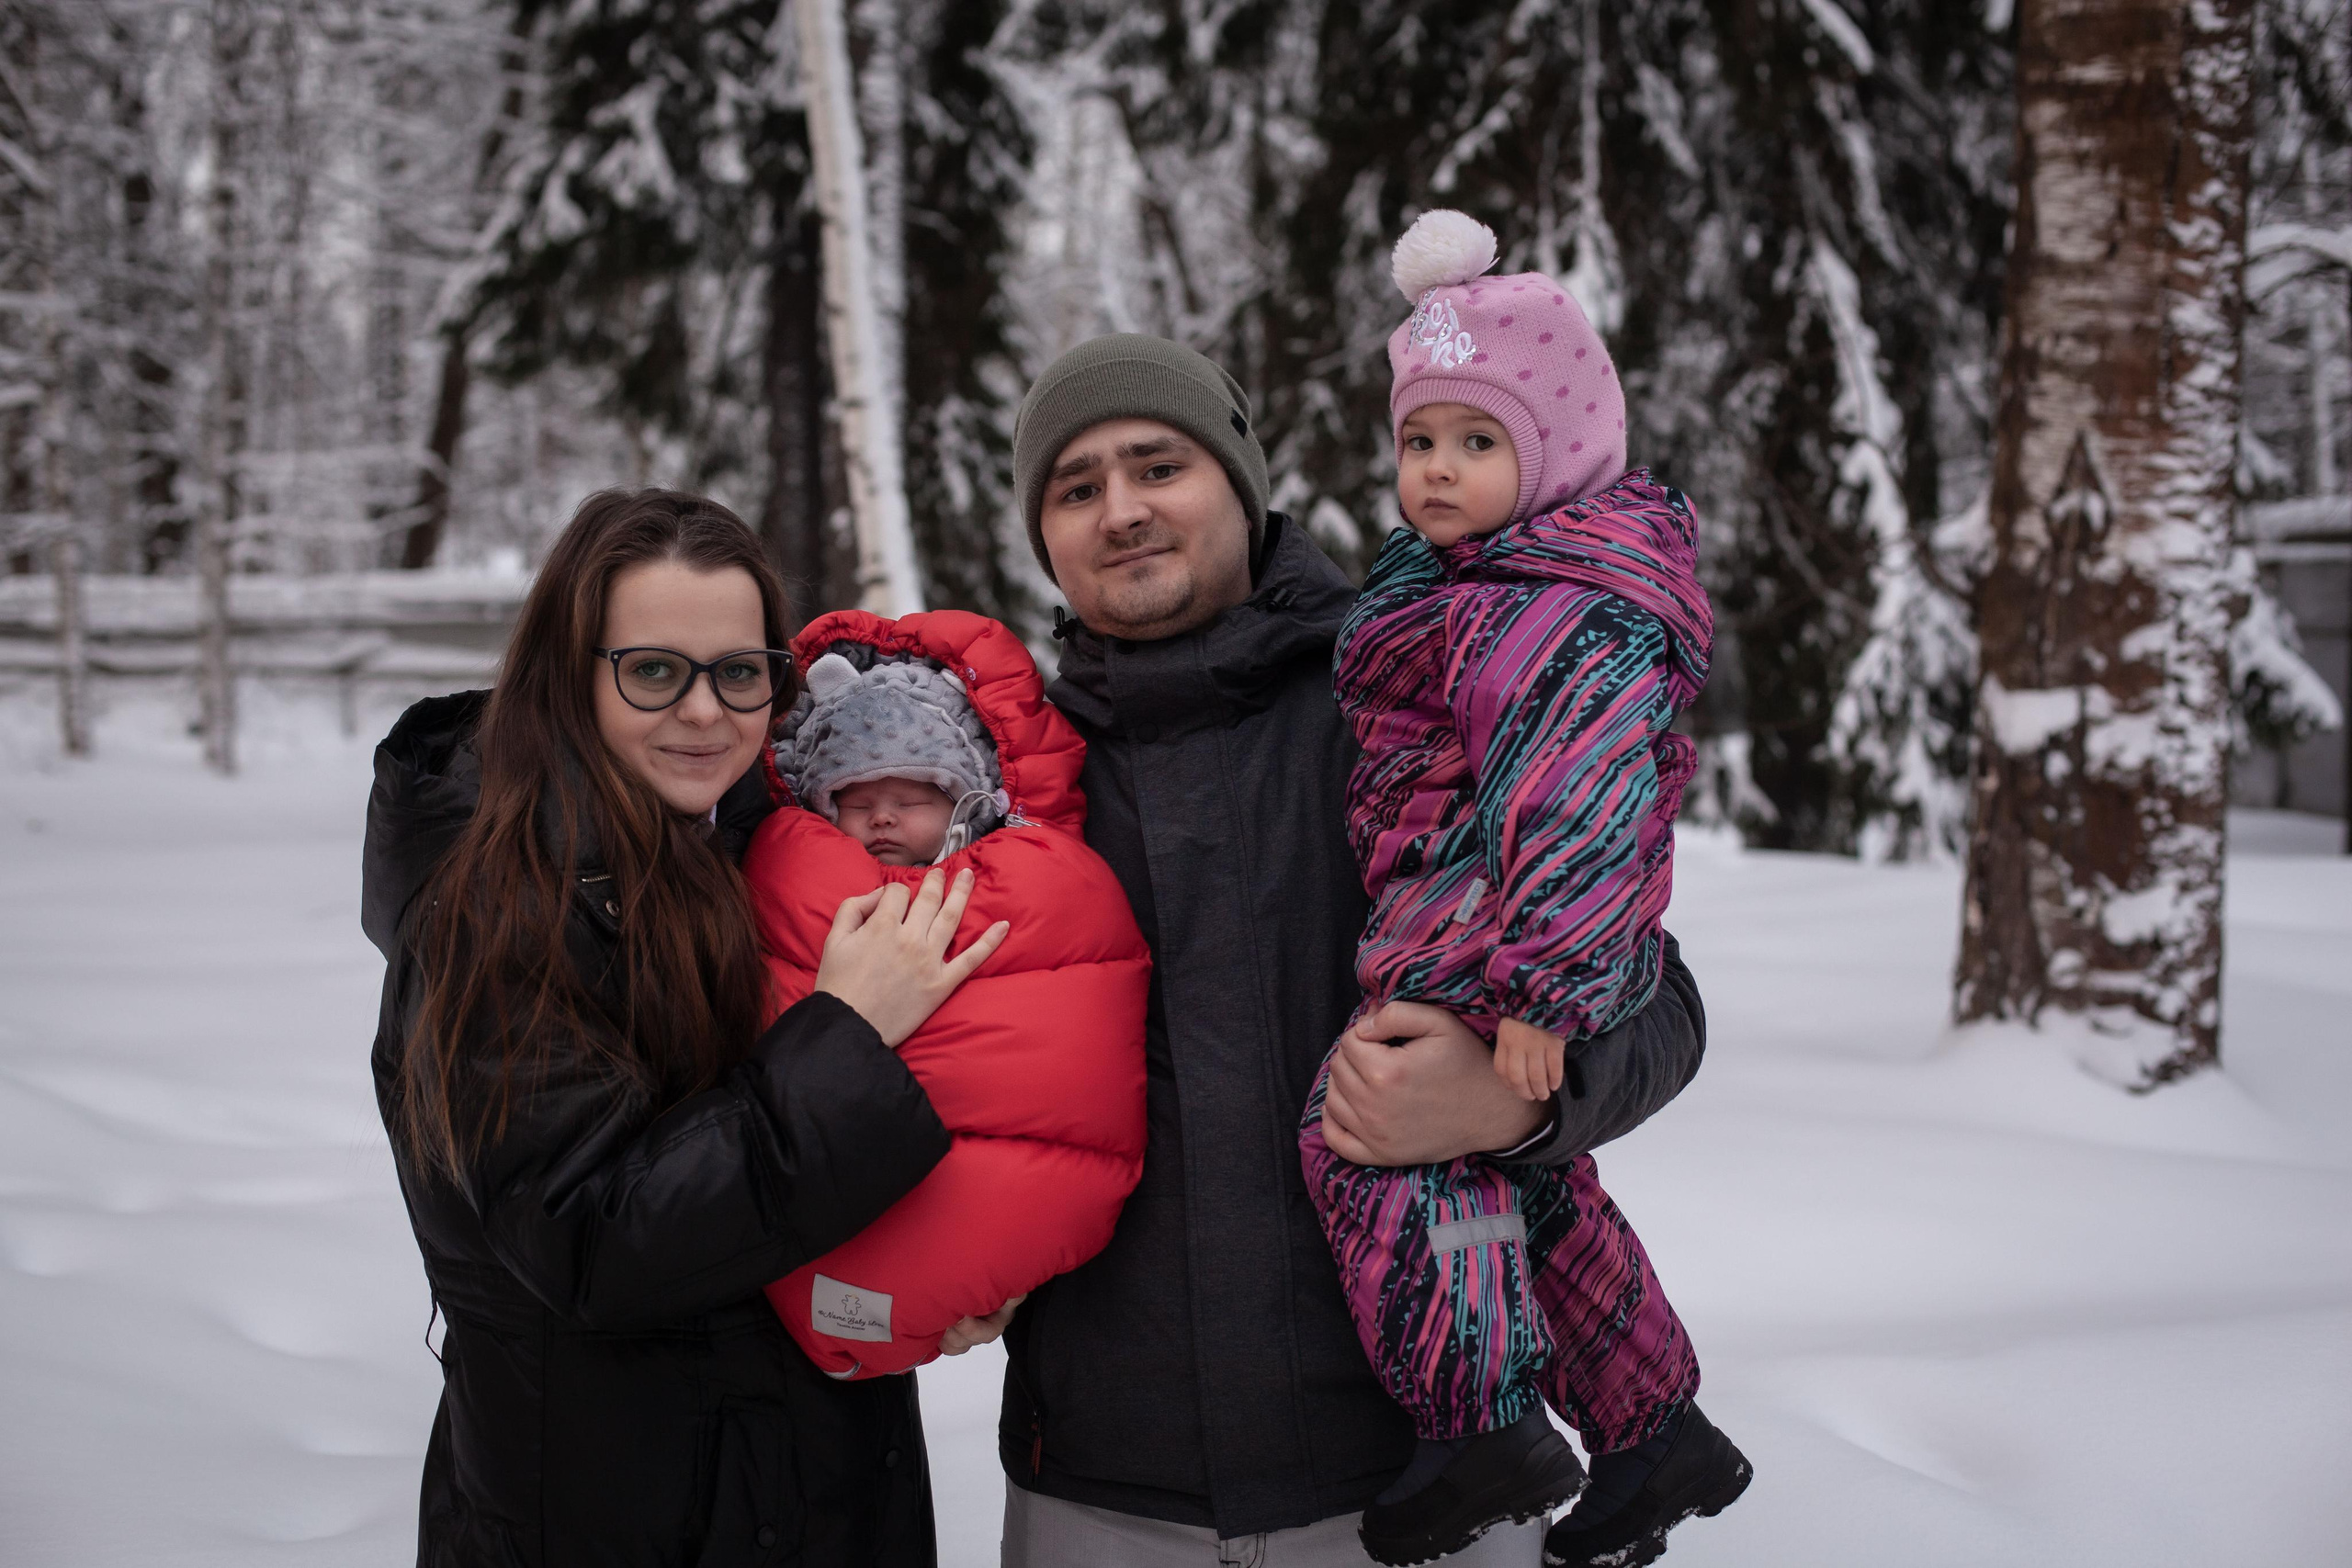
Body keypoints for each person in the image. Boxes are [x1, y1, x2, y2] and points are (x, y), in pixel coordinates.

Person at [992, 333, 1712, 1566]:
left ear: (1240, 476)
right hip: (1100, 1487)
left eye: (1158, 464)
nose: (1121, 509)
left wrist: (1513, 1098)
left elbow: (1662, 1006)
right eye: (1076, 486)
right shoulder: (1017, 782)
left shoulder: (1408, 691)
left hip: (1421, 1483)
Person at [362, 489, 1007, 1567]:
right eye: (654, 671)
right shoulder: (498, 907)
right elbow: (595, 1236)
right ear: (571, 678)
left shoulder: (756, 845)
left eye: (740, 672)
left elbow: (782, 1178)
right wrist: (846, 1034)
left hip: (814, 1484)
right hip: (615, 1513)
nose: (707, 713)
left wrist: (936, 1274)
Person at [1296, 211, 1751, 1568]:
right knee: (1530, 1186)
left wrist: (1546, 988)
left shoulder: (1550, 602)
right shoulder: (1472, 582)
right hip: (1475, 921)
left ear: (1553, 451)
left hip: (1498, 935)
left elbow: (1584, 797)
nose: (1435, 471)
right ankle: (1653, 1424)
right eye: (1417, 441)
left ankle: (1485, 1420)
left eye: (1475, 443)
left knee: (1367, 1142)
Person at [743, 607, 1151, 1382]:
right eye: (856, 798)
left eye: (915, 793)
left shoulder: (1032, 870)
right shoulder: (776, 867)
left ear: (972, 797)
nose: (884, 814)